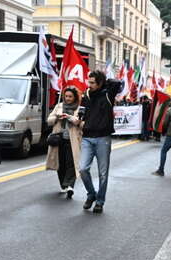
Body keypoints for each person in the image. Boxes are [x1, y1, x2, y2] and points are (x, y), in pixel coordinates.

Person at [79, 70, 122, 213]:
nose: (89, 84)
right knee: (83, 169)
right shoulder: (86, 95)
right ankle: (91, 194)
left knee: (103, 173)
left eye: (92, 82)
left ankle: (100, 201)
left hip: (103, 138)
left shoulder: (108, 94)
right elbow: (81, 113)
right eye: (88, 81)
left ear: (100, 83)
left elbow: (117, 83)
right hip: (87, 137)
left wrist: (104, 82)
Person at [45, 87, 83, 198]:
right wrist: (57, 117)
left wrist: (71, 118)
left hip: (73, 140)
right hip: (59, 139)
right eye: (66, 96)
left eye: (70, 96)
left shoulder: (80, 108)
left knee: (71, 163)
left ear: (75, 97)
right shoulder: (59, 106)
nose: (68, 98)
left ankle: (70, 186)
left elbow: (82, 123)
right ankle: (63, 185)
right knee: (60, 163)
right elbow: (49, 120)